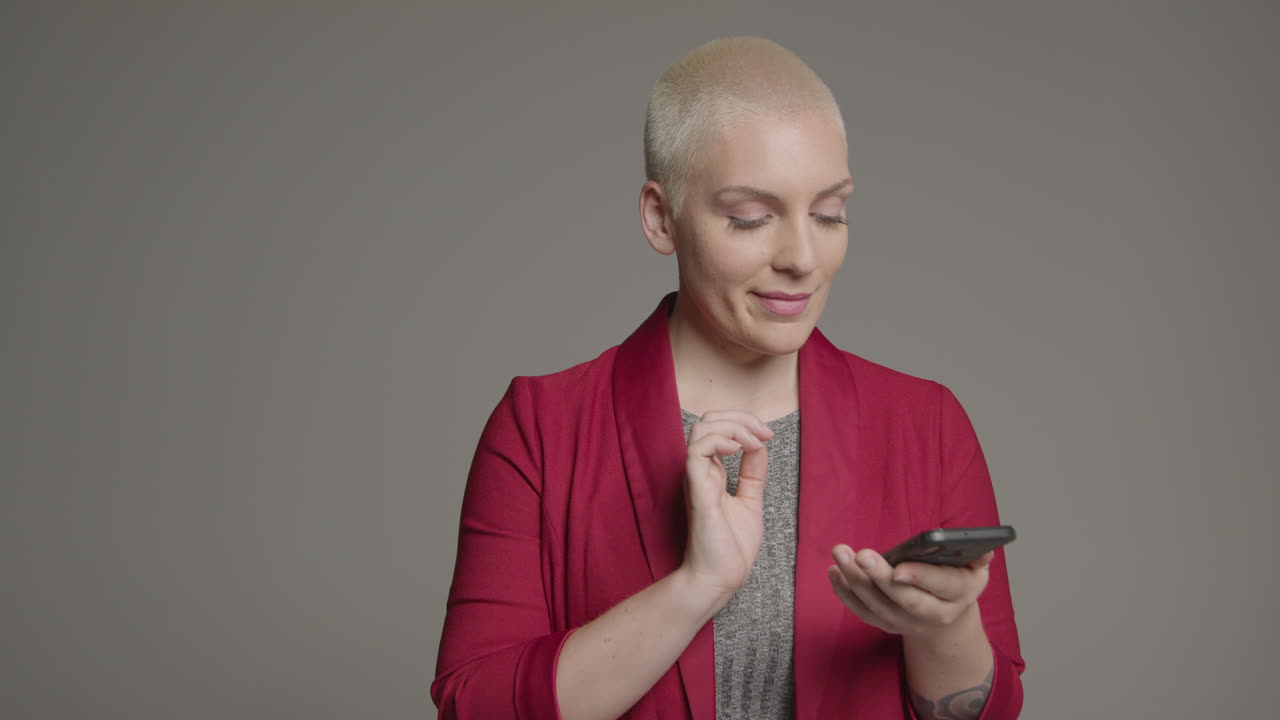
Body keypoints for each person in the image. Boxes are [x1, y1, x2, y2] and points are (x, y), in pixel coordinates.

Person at [431, 36, 1024, 720]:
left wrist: (944, 628)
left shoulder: (927, 424)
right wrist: (698, 585)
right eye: (750, 218)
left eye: (830, 213)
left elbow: (990, 710)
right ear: (661, 218)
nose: (803, 256)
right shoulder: (541, 426)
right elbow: (473, 707)